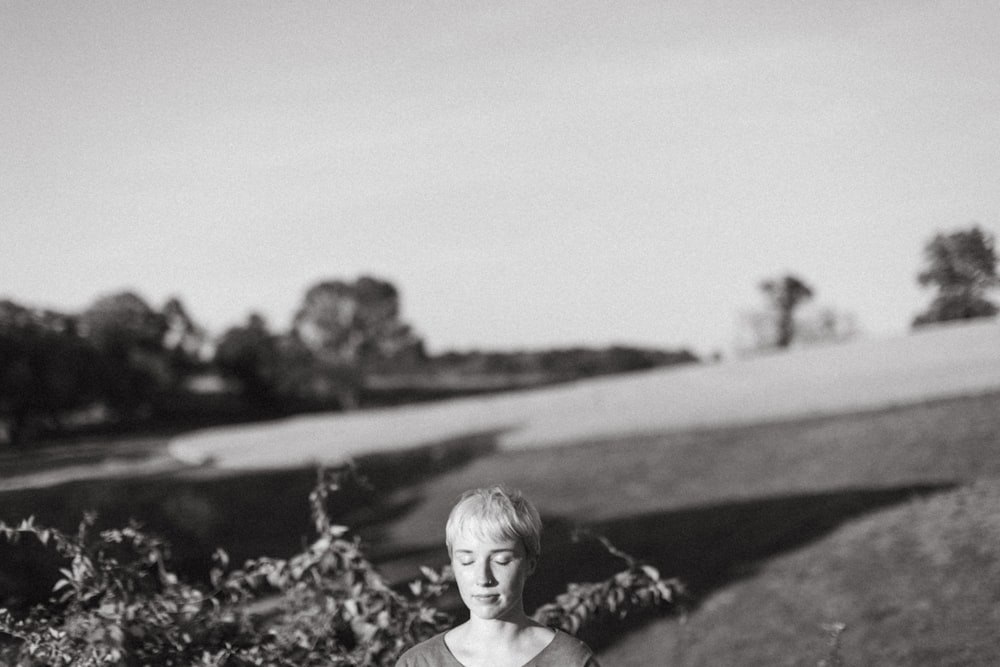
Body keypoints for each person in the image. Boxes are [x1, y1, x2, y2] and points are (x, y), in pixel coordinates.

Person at [396, 486, 600, 667]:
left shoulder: (570, 661)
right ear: (453, 564)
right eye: (467, 561)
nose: (483, 578)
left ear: (530, 563)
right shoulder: (418, 662)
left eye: (501, 560)